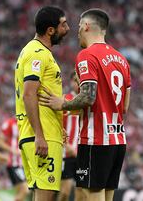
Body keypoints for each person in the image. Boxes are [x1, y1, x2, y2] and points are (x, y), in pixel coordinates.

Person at [39, 8, 131, 201]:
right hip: (118, 139)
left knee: (92, 196)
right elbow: (124, 107)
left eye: (80, 27)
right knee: (105, 196)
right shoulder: (122, 60)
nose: (77, 31)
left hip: (95, 140)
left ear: (87, 26)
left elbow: (88, 97)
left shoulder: (87, 55)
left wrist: (62, 103)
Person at [14, 6, 69, 201]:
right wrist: (40, 135)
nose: (68, 28)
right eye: (63, 24)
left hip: (44, 133)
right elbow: (29, 95)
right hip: (40, 136)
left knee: (45, 194)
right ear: (50, 30)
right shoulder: (37, 53)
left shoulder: (36, 51)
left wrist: (56, 125)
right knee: (45, 196)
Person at [57, 72, 80, 201]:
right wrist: (66, 145)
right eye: (75, 80)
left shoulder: (89, 101)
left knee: (82, 191)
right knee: (65, 192)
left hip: (82, 153)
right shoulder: (65, 100)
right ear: (71, 82)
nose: (78, 83)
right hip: (67, 153)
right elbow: (56, 126)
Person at [0, 117, 29, 201]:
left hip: (24, 164)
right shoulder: (10, 123)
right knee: (25, 190)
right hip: (14, 164)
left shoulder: (28, 123)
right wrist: (13, 150)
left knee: (20, 192)